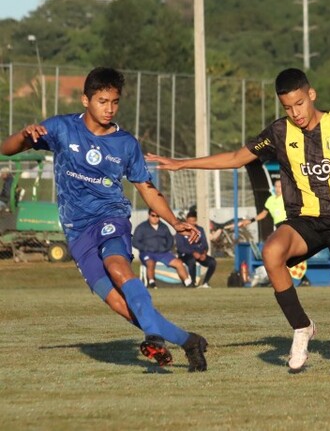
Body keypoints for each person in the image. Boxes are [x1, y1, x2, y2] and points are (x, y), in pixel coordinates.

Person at [147, 68, 330, 371]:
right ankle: (302, 328)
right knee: (272, 252)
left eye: (299, 103)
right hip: (305, 219)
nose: (295, 112)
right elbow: (236, 157)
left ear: (311, 95)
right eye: (287, 107)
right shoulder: (279, 132)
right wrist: (183, 164)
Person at [0, 67, 208, 372]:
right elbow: (6, 150)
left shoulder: (125, 143)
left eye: (114, 101)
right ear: (86, 100)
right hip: (76, 230)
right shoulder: (61, 128)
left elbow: (147, 189)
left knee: (117, 266)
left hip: (111, 217)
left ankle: (153, 337)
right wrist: (23, 136)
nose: (109, 108)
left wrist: (174, 221)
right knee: (117, 303)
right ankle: (189, 340)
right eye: (102, 101)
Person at [133, 209, 193, 289]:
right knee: (150, 263)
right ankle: (151, 282)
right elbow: (135, 241)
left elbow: (170, 239)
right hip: (147, 253)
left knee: (178, 263)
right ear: (149, 215)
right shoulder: (142, 227)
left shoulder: (163, 227)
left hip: (162, 253)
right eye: (153, 215)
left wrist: (166, 248)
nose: (155, 218)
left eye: (157, 216)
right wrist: (145, 248)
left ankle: (187, 282)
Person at [175, 210, 217, 288]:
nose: (191, 223)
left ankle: (205, 283)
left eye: (193, 221)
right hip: (186, 255)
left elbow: (205, 244)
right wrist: (193, 253)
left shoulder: (200, 230)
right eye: (189, 221)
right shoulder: (181, 230)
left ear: (196, 221)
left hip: (199, 254)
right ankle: (193, 283)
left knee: (212, 262)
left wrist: (204, 253)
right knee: (191, 260)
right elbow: (180, 248)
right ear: (186, 220)